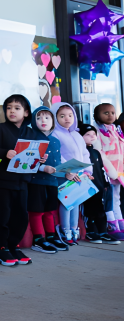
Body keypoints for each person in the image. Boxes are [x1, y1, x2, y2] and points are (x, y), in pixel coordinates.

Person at [0, 95, 43, 266]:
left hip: (22, 182)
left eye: (17, 108)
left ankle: (13, 245)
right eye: (9, 108)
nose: (12, 111)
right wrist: (4, 153)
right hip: (2, 182)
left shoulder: (31, 133)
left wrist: (40, 158)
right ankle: (1, 249)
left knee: (21, 217)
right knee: (4, 216)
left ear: (26, 112)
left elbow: (33, 154)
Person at [26, 106, 69, 253]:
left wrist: (66, 172)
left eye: (47, 117)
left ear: (53, 121)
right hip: (36, 181)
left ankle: (51, 236)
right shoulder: (31, 139)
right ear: (33, 121)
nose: (43, 120)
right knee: (37, 211)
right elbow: (25, 162)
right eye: (38, 118)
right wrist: (42, 168)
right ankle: (38, 239)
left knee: (50, 210)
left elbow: (58, 161)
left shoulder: (55, 140)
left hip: (52, 181)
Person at [50, 102, 93, 246]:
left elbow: (85, 154)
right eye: (62, 116)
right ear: (55, 117)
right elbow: (57, 155)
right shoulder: (54, 133)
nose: (67, 119)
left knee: (76, 202)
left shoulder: (77, 134)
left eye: (70, 115)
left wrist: (87, 171)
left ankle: (74, 229)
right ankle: (65, 230)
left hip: (79, 174)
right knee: (66, 202)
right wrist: (67, 171)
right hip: (64, 174)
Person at [80, 124, 121, 244]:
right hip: (87, 187)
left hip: (99, 186)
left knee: (101, 211)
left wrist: (105, 184)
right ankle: (91, 232)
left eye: (94, 134)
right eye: (87, 134)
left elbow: (102, 169)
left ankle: (103, 232)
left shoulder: (96, 152)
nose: (92, 136)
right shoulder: (82, 152)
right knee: (89, 211)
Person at [93, 103, 124, 238]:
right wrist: (109, 170)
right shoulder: (97, 131)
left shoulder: (115, 129)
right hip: (107, 171)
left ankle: (120, 223)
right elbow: (99, 152)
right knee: (108, 199)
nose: (110, 115)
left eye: (112, 112)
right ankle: (111, 225)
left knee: (117, 198)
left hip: (119, 171)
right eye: (106, 113)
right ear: (97, 115)